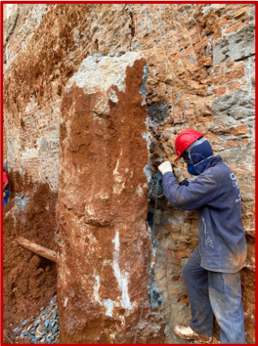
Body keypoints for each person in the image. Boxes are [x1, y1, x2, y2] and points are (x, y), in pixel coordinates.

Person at [158, 129, 247, 344]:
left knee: (228, 312)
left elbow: (181, 198)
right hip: (215, 243)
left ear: (194, 156)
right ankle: (202, 328)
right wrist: (182, 180)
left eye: (186, 159)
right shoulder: (218, 172)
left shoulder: (215, 176)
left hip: (222, 252)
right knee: (192, 273)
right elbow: (197, 192)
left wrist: (167, 174)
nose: (187, 164)